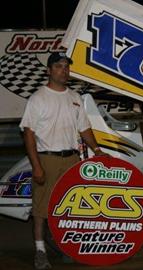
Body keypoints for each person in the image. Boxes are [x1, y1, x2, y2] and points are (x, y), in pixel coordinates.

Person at [20, 52, 106, 269]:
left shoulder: (75, 98)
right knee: (41, 210)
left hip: (72, 160)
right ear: (49, 70)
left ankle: (64, 246)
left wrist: (97, 150)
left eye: (66, 67)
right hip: (47, 159)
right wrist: (36, 166)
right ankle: (40, 252)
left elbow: (84, 128)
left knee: (69, 208)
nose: (64, 70)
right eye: (58, 66)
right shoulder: (38, 98)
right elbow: (28, 134)